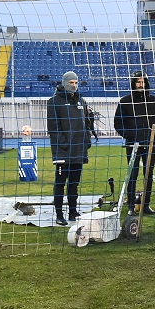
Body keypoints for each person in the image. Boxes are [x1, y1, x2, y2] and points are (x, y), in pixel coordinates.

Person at [47, 70, 93, 226]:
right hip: (63, 152)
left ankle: (73, 212)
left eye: (76, 83)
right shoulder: (54, 101)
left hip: (79, 150)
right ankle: (59, 214)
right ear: (64, 83)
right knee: (60, 183)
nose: (74, 86)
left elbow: (87, 123)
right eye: (71, 83)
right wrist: (64, 144)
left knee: (74, 183)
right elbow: (53, 128)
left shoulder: (81, 100)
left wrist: (86, 140)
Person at [113, 71, 155, 217]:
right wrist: (130, 135)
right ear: (134, 83)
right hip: (132, 145)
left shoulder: (153, 101)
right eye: (138, 82)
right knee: (132, 174)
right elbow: (117, 123)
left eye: (143, 81)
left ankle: (146, 204)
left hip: (150, 144)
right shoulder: (125, 101)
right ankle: (131, 206)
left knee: (148, 174)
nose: (141, 84)